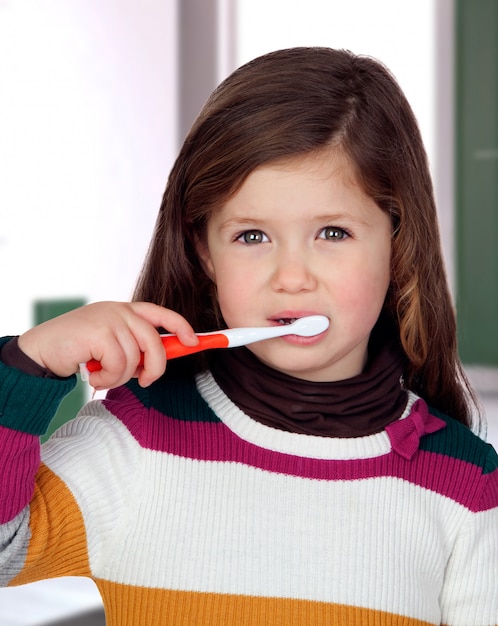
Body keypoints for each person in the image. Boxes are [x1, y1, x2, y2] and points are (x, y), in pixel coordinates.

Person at [0, 47, 496, 626]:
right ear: (204, 251)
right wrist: (25, 368)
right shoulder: (136, 440)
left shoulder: (467, 486)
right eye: (252, 237)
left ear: (397, 242)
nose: (291, 278)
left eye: (333, 232)